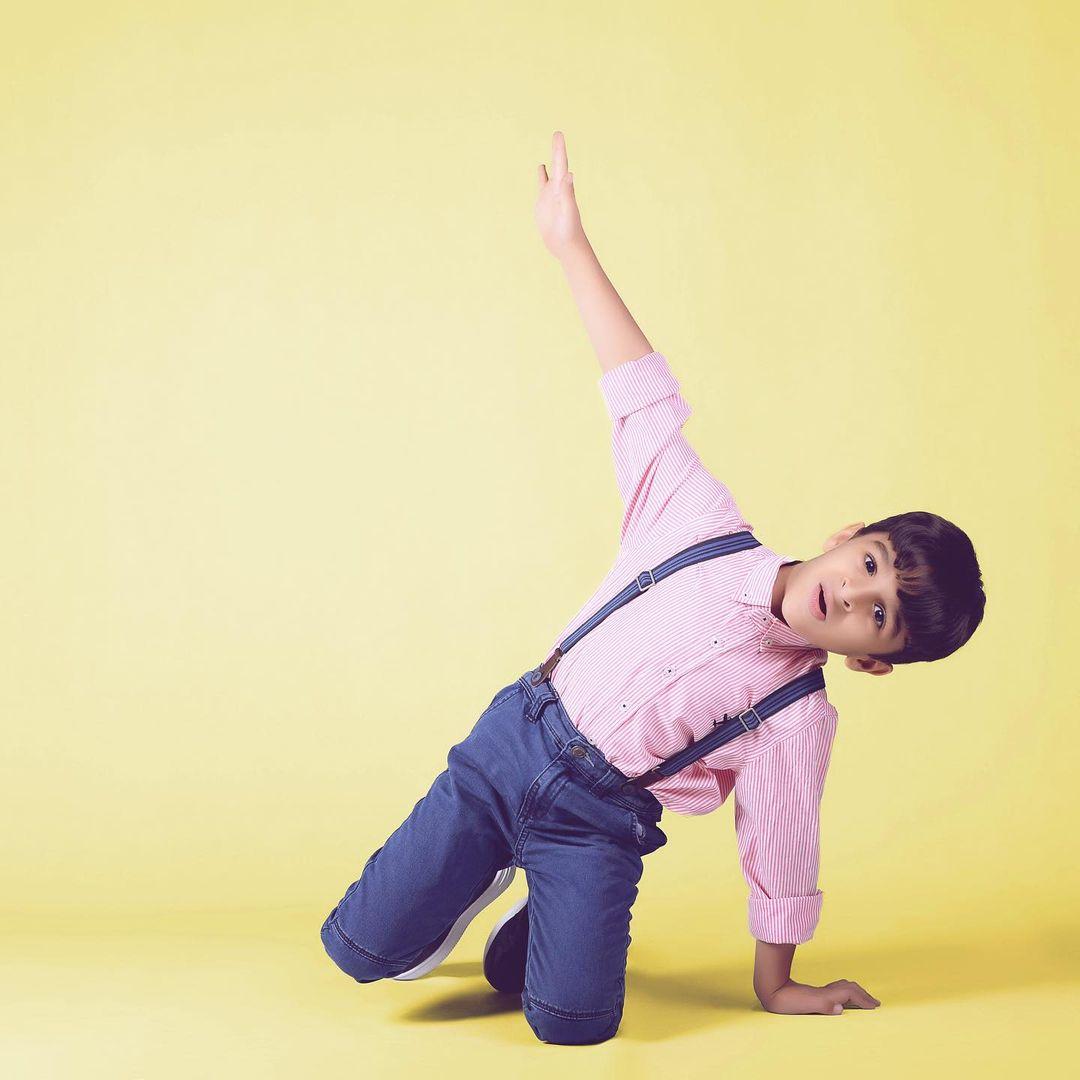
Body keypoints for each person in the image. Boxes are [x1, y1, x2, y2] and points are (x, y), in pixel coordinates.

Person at [319, 131, 986, 1045]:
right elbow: (641, 393)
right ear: (846, 538)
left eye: (881, 619)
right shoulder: (698, 521)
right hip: (511, 742)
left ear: (874, 662)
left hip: (596, 821)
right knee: (359, 948)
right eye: (869, 566)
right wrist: (569, 244)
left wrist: (778, 985)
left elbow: (782, 848)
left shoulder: (798, 717)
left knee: (573, 1025)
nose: (855, 597)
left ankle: (537, 925)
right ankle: (472, 869)